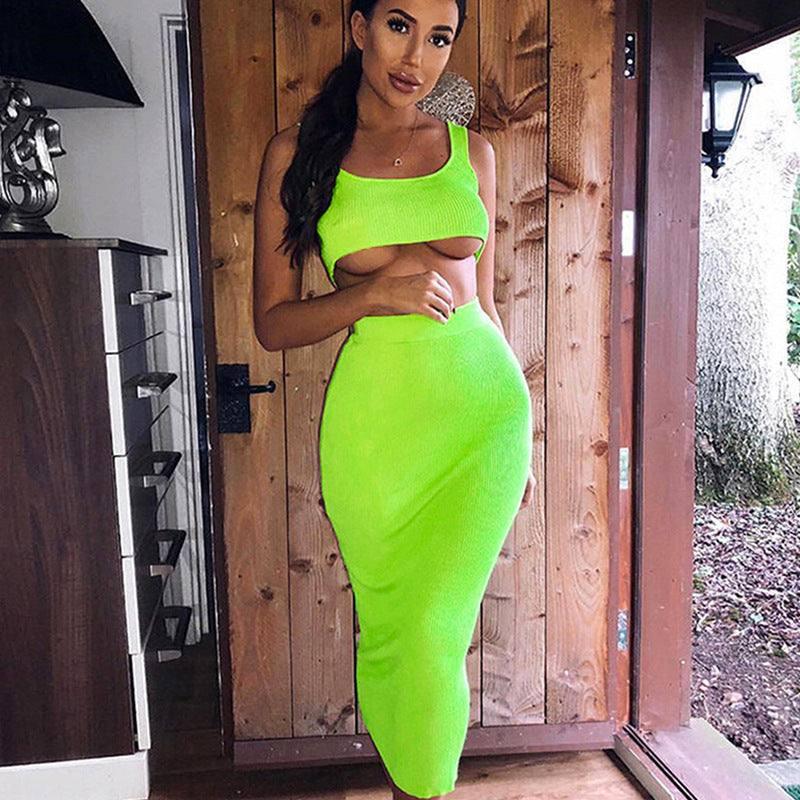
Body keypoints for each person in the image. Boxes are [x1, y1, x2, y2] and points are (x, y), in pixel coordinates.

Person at [252, 1, 535, 797]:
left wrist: (523, 445)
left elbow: (486, 305)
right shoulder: (298, 153)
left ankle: (427, 788)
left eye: (440, 38)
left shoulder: (472, 149)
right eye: (399, 26)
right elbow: (272, 324)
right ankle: (417, 780)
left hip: (482, 419)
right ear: (359, 27)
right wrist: (371, 296)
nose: (418, 57)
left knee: (436, 631)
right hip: (377, 429)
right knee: (394, 633)